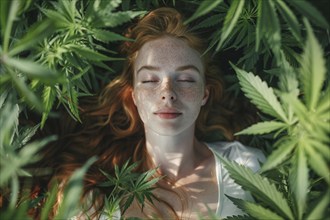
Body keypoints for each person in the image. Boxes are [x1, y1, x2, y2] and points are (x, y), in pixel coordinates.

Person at [39, 7, 265, 219]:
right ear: (134, 96)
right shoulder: (91, 194)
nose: (167, 93)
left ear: (205, 93)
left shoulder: (247, 167)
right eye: (149, 80)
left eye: (186, 79)